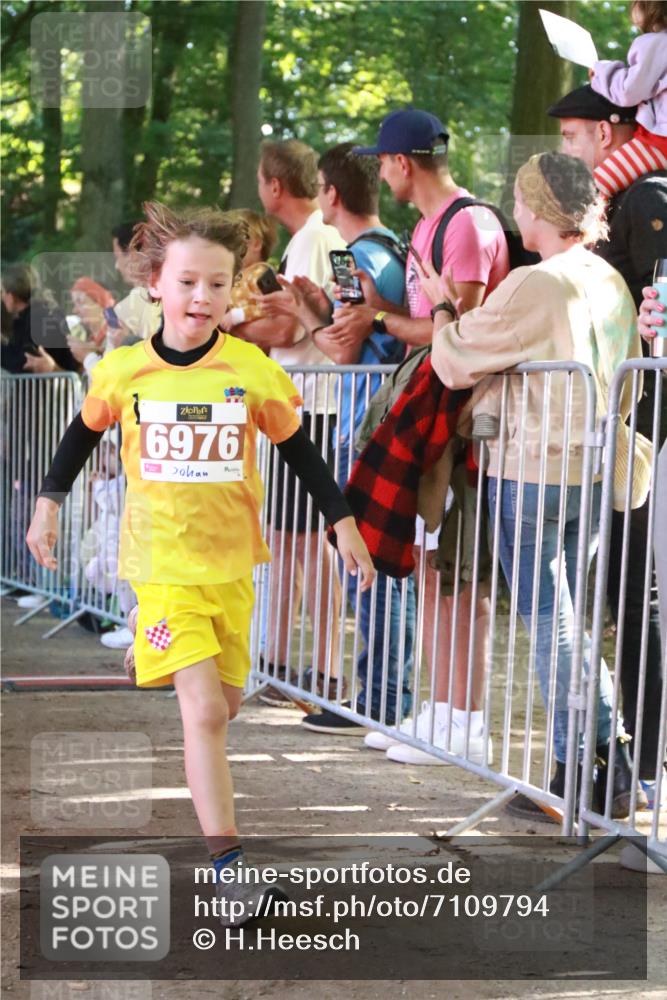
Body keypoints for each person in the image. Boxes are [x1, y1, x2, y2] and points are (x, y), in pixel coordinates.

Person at [26, 202, 374, 925]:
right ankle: (229, 870)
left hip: (231, 569)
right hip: (158, 566)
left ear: (233, 289)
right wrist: (48, 504)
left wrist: (343, 524)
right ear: (156, 284)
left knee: (228, 703)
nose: (201, 299)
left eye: (217, 285)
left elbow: (300, 452)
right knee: (207, 714)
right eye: (187, 283)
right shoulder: (124, 371)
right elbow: (79, 437)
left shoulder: (248, 368)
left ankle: (147, 656)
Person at [426, 151, 647, 819]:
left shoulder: (534, 282)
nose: (513, 211)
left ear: (536, 208)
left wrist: (440, 310)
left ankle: (600, 760)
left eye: (518, 201)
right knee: (568, 619)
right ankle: (580, 768)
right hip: (589, 469)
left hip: (530, 467)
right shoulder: (608, 279)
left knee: (551, 625)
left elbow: (455, 357)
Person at [344, 108, 509, 765]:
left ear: (401, 163)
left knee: (459, 575)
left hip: (464, 423)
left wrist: (377, 318)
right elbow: (430, 328)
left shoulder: (466, 224)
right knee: (433, 570)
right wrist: (374, 314)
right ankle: (437, 709)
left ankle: (464, 720)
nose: (380, 174)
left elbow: (457, 334)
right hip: (433, 418)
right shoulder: (426, 227)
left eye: (381, 161)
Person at [548, 85, 667, 794]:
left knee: (635, 591)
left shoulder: (648, 200)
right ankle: (632, 757)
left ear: (607, 131)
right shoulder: (624, 204)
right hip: (621, 427)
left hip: (647, 430)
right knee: (621, 591)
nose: (565, 149)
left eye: (571, 135)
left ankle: (646, 761)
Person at [275, 141, 414, 734]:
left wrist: (302, 310)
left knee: (364, 558)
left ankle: (378, 699)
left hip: (366, 422)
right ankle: (382, 693)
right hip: (386, 415)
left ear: (331, 194)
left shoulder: (349, 257)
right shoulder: (395, 247)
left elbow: (341, 347)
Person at [235, 140, 347, 707]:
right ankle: (281, 662)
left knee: (307, 543)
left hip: (315, 405)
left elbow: (288, 332)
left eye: (260, 180)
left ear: (274, 186)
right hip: (304, 403)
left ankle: (323, 668)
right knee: (287, 539)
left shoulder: (313, 240)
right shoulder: (315, 238)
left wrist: (227, 331)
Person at [589, 0, 667, 197]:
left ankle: (582, 227)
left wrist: (600, 73)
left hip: (659, 142)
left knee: (593, 188)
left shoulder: (657, 43)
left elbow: (628, 91)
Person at [1, 263, 79, 374]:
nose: (2, 297)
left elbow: (27, 361)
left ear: (11, 296)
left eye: (2, 292)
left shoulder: (39, 317)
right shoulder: (41, 312)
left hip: (51, 389)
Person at [111, 221, 163, 341]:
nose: (117, 266)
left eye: (118, 256)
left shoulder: (128, 306)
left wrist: (88, 357)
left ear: (133, 254)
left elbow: (109, 358)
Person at [66, 277, 117, 372]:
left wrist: (87, 355)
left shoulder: (116, 339)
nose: (75, 310)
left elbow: (110, 379)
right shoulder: (85, 340)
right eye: (74, 304)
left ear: (101, 302)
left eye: (80, 302)